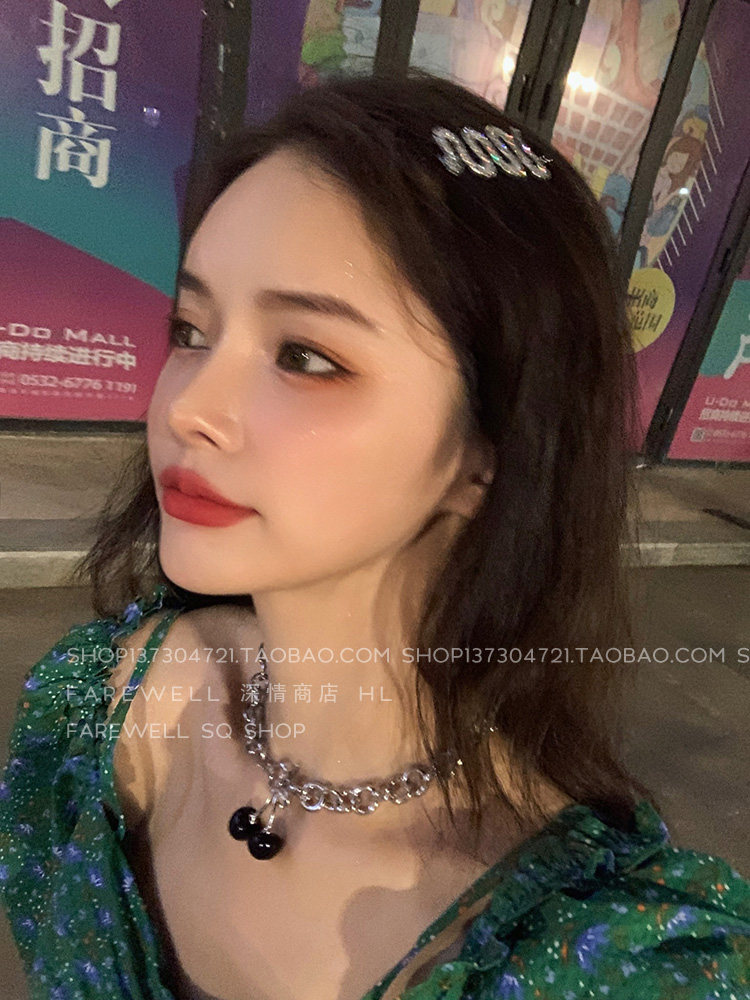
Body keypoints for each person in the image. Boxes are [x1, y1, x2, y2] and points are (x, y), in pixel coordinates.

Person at [1, 69, 748, 1000]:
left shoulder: (600, 956)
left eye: (306, 356)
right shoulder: (100, 712)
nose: (189, 408)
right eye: (191, 331)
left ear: (491, 449)